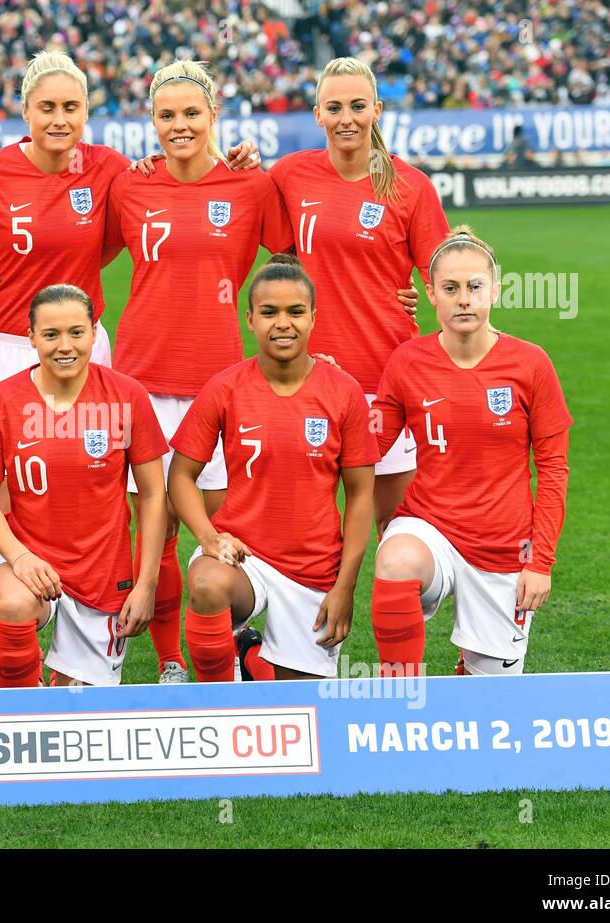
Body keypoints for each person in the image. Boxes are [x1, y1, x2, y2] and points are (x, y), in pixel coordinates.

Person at [103, 60, 295, 683]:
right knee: (152, 532)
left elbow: (296, 267)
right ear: (151, 120)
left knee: (224, 528)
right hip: (142, 376)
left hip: (221, 383)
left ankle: (236, 645)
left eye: (191, 113)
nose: (178, 125)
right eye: (166, 115)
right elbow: (71, 241)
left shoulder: (251, 187)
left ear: (214, 115)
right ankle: (168, 661)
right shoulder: (128, 186)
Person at [0, 51, 259, 422]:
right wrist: (8, 257)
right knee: (2, 474)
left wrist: (239, 157)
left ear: (86, 112)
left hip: (85, 344)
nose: (59, 120)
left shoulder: (110, 169)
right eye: (46, 108)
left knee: (90, 471)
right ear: (25, 112)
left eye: (71, 107)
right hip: (8, 344)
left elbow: (117, 233)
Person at [369, 227, 572, 677]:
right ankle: (398, 699)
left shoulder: (531, 364)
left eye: (475, 287)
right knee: (396, 561)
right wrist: (326, 389)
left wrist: (539, 562)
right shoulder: (406, 361)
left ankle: (471, 669)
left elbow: (554, 469)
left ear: (494, 292)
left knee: (492, 700)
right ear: (431, 294)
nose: (464, 299)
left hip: (504, 548)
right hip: (430, 527)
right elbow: (370, 447)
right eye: (451, 288)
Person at [169, 255, 376, 680]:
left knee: (299, 712)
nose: (283, 323)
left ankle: (250, 660)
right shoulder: (225, 387)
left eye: (295, 312)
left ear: (314, 318)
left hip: (314, 571)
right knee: (208, 585)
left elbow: (360, 496)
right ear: (249, 319)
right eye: (269, 312)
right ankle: (220, 702)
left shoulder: (344, 392)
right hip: (245, 558)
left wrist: (345, 587)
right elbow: (180, 476)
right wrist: (209, 537)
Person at [268, 56, 450, 534]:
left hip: (387, 378)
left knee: (401, 533)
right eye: (334, 107)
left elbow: (444, 281)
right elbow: (254, 228)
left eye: (356, 106)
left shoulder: (412, 187)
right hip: (306, 377)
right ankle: (314, 611)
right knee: (303, 528)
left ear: (377, 109)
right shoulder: (289, 175)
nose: (346, 118)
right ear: (317, 115)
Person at [0, 285, 168, 687]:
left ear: (95, 333)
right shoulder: (3, 400)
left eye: (77, 332)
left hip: (102, 572)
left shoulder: (127, 396)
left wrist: (146, 585)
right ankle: (17, 712)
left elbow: (153, 495)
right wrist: (20, 557)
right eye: (51, 334)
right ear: (31, 338)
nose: (65, 346)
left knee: (82, 714)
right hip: (22, 560)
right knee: (13, 603)